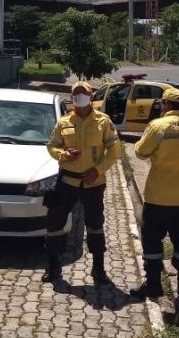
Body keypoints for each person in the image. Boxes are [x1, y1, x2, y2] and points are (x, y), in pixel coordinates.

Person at [130, 88, 179, 302]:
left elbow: (140, 152)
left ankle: (153, 285)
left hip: (159, 196)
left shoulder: (157, 126)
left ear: (165, 105)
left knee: (153, 242)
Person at [43, 80, 121, 290]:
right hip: (67, 181)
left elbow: (115, 151)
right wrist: (63, 154)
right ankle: (53, 266)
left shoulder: (103, 122)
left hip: (94, 183)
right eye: (76, 94)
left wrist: (97, 170)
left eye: (83, 94)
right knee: (55, 224)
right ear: (72, 97)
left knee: (95, 226)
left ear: (91, 97)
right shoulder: (64, 122)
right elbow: (52, 146)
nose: (80, 97)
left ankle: (98, 269)